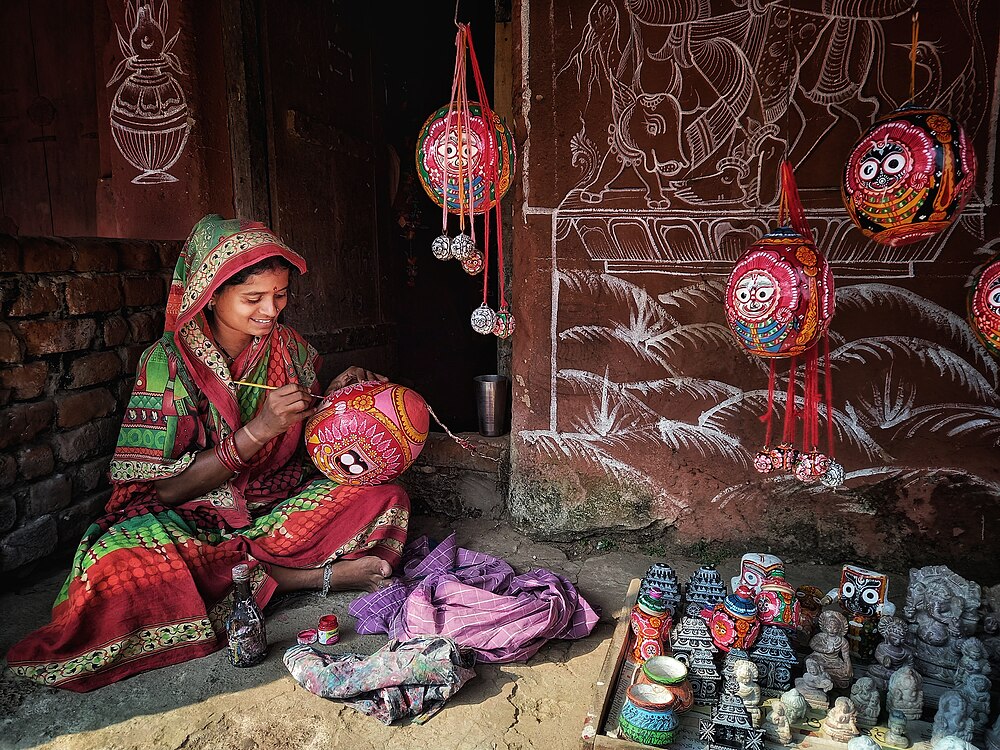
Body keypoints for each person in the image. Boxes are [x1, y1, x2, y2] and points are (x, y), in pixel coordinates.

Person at [7, 216, 410, 691]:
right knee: (116, 571)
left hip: (271, 503)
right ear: (211, 294)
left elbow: (308, 441)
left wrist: (338, 401)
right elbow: (168, 489)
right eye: (254, 298)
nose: (271, 311)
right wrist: (258, 430)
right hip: (185, 516)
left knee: (384, 496)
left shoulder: (291, 349)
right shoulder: (167, 362)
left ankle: (241, 575)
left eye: (280, 295)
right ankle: (308, 577)